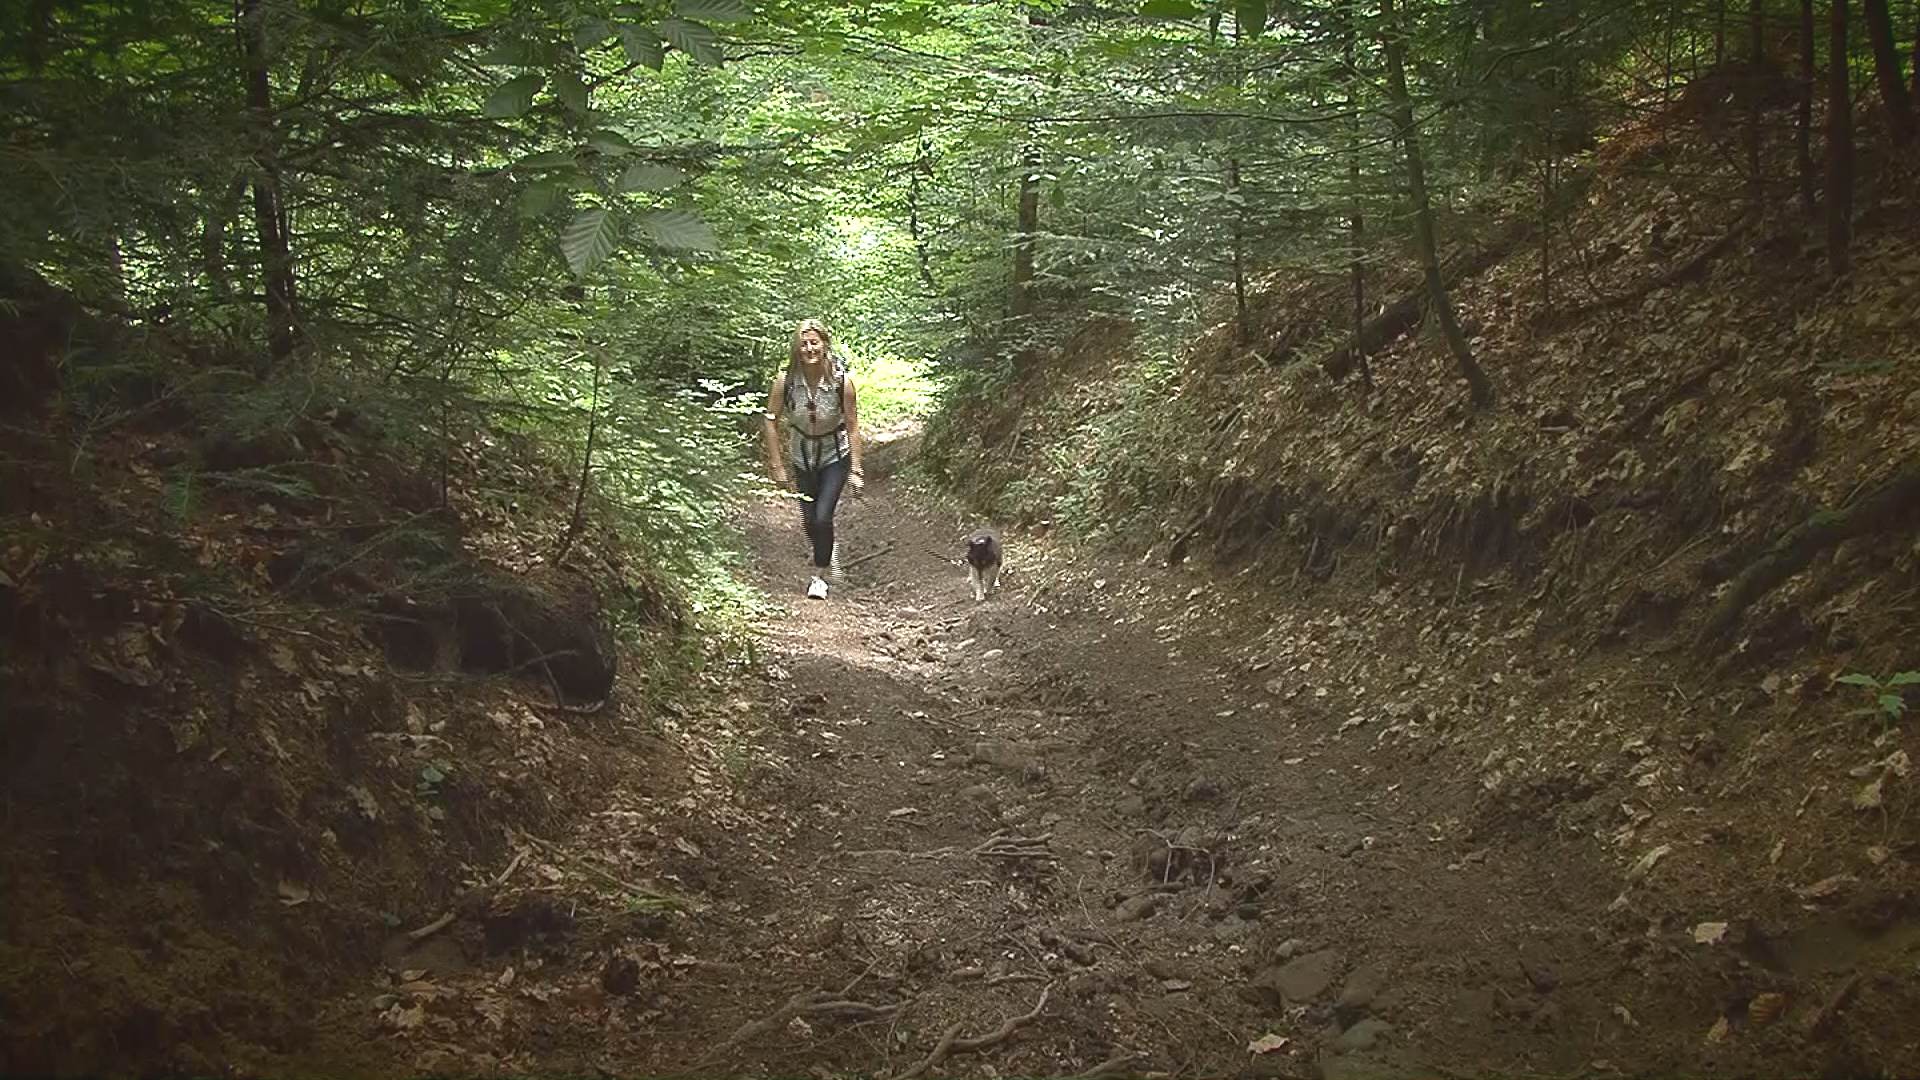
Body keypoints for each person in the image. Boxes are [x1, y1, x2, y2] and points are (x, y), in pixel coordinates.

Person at [763, 318, 864, 599]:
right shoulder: (785, 383)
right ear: (797, 348)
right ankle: (826, 552)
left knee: (822, 517)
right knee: (809, 520)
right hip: (801, 455)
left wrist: (856, 469)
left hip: (835, 454)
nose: (809, 349)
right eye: (804, 344)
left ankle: (819, 577)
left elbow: (853, 425)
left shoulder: (842, 382)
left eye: (814, 343)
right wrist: (777, 465)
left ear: (825, 345)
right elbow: (770, 420)